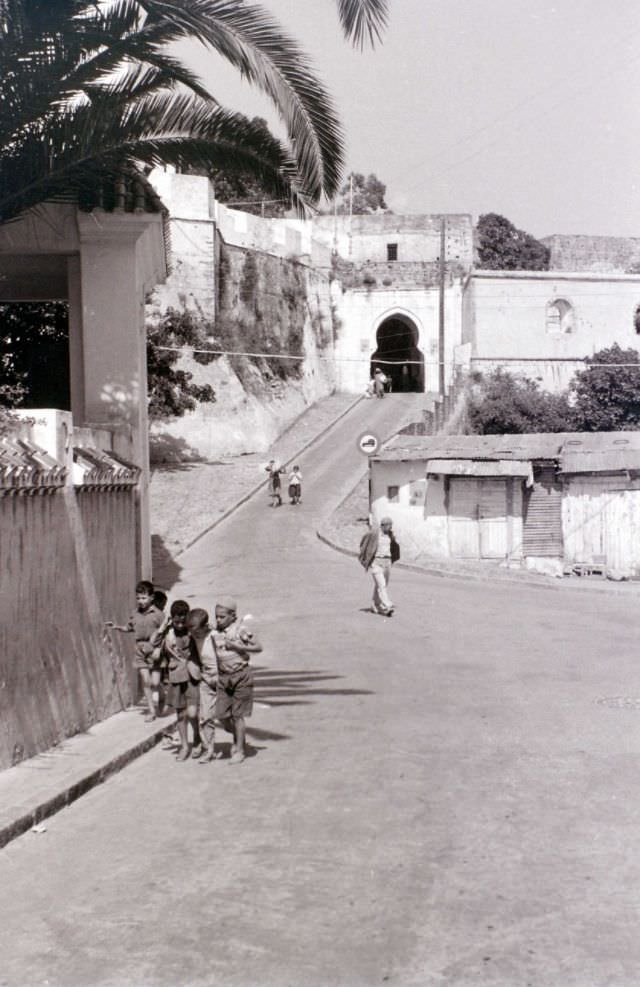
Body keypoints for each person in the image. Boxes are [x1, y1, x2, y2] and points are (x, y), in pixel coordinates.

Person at [105, 580, 164, 722]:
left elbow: (165, 633)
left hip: (155, 651)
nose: (141, 601)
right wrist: (116, 627)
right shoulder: (135, 613)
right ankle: (151, 711)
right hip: (140, 651)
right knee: (146, 681)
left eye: (144, 598)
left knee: (155, 683)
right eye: (138, 598)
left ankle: (162, 695)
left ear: (151, 598)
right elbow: (129, 628)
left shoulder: (158, 614)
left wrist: (158, 649)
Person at [212, 596, 263, 765]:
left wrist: (238, 646)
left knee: (238, 715)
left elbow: (258, 647)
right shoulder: (215, 632)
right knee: (222, 716)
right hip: (224, 677)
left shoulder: (240, 630)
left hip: (241, 675)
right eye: (216, 616)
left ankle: (239, 750)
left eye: (222, 617)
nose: (218, 620)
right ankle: (238, 737)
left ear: (232, 616)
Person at [153, 600, 202, 761]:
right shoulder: (167, 632)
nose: (180, 625)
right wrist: (163, 626)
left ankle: (197, 737)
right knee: (180, 714)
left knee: (193, 713)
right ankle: (184, 745)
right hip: (175, 678)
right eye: (176, 621)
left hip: (191, 676)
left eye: (183, 621)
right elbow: (153, 643)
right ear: (171, 618)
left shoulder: (192, 631)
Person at [189, 607, 222, 764]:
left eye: (197, 632)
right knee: (205, 717)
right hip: (206, 678)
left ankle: (238, 743)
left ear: (205, 626)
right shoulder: (194, 636)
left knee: (227, 717)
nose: (194, 635)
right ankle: (209, 749)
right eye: (193, 632)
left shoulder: (215, 636)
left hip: (221, 677)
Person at [358, 516, 400, 616]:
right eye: (389, 526)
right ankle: (386, 605)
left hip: (387, 562)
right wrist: (365, 555)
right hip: (376, 562)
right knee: (382, 585)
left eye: (391, 526)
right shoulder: (374, 534)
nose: (390, 528)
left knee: (380, 585)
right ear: (383, 525)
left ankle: (374, 605)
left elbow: (394, 546)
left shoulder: (390, 535)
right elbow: (363, 541)